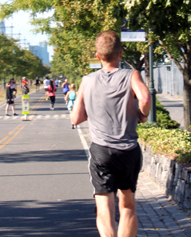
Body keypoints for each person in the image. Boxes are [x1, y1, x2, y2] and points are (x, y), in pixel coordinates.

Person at [71, 30, 151, 237]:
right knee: (128, 205)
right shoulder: (131, 75)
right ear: (121, 54)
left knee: (104, 209)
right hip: (128, 150)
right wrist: (142, 115)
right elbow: (145, 98)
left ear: (98, 56)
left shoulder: (87, 80)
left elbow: (76, 118)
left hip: (101, 151)